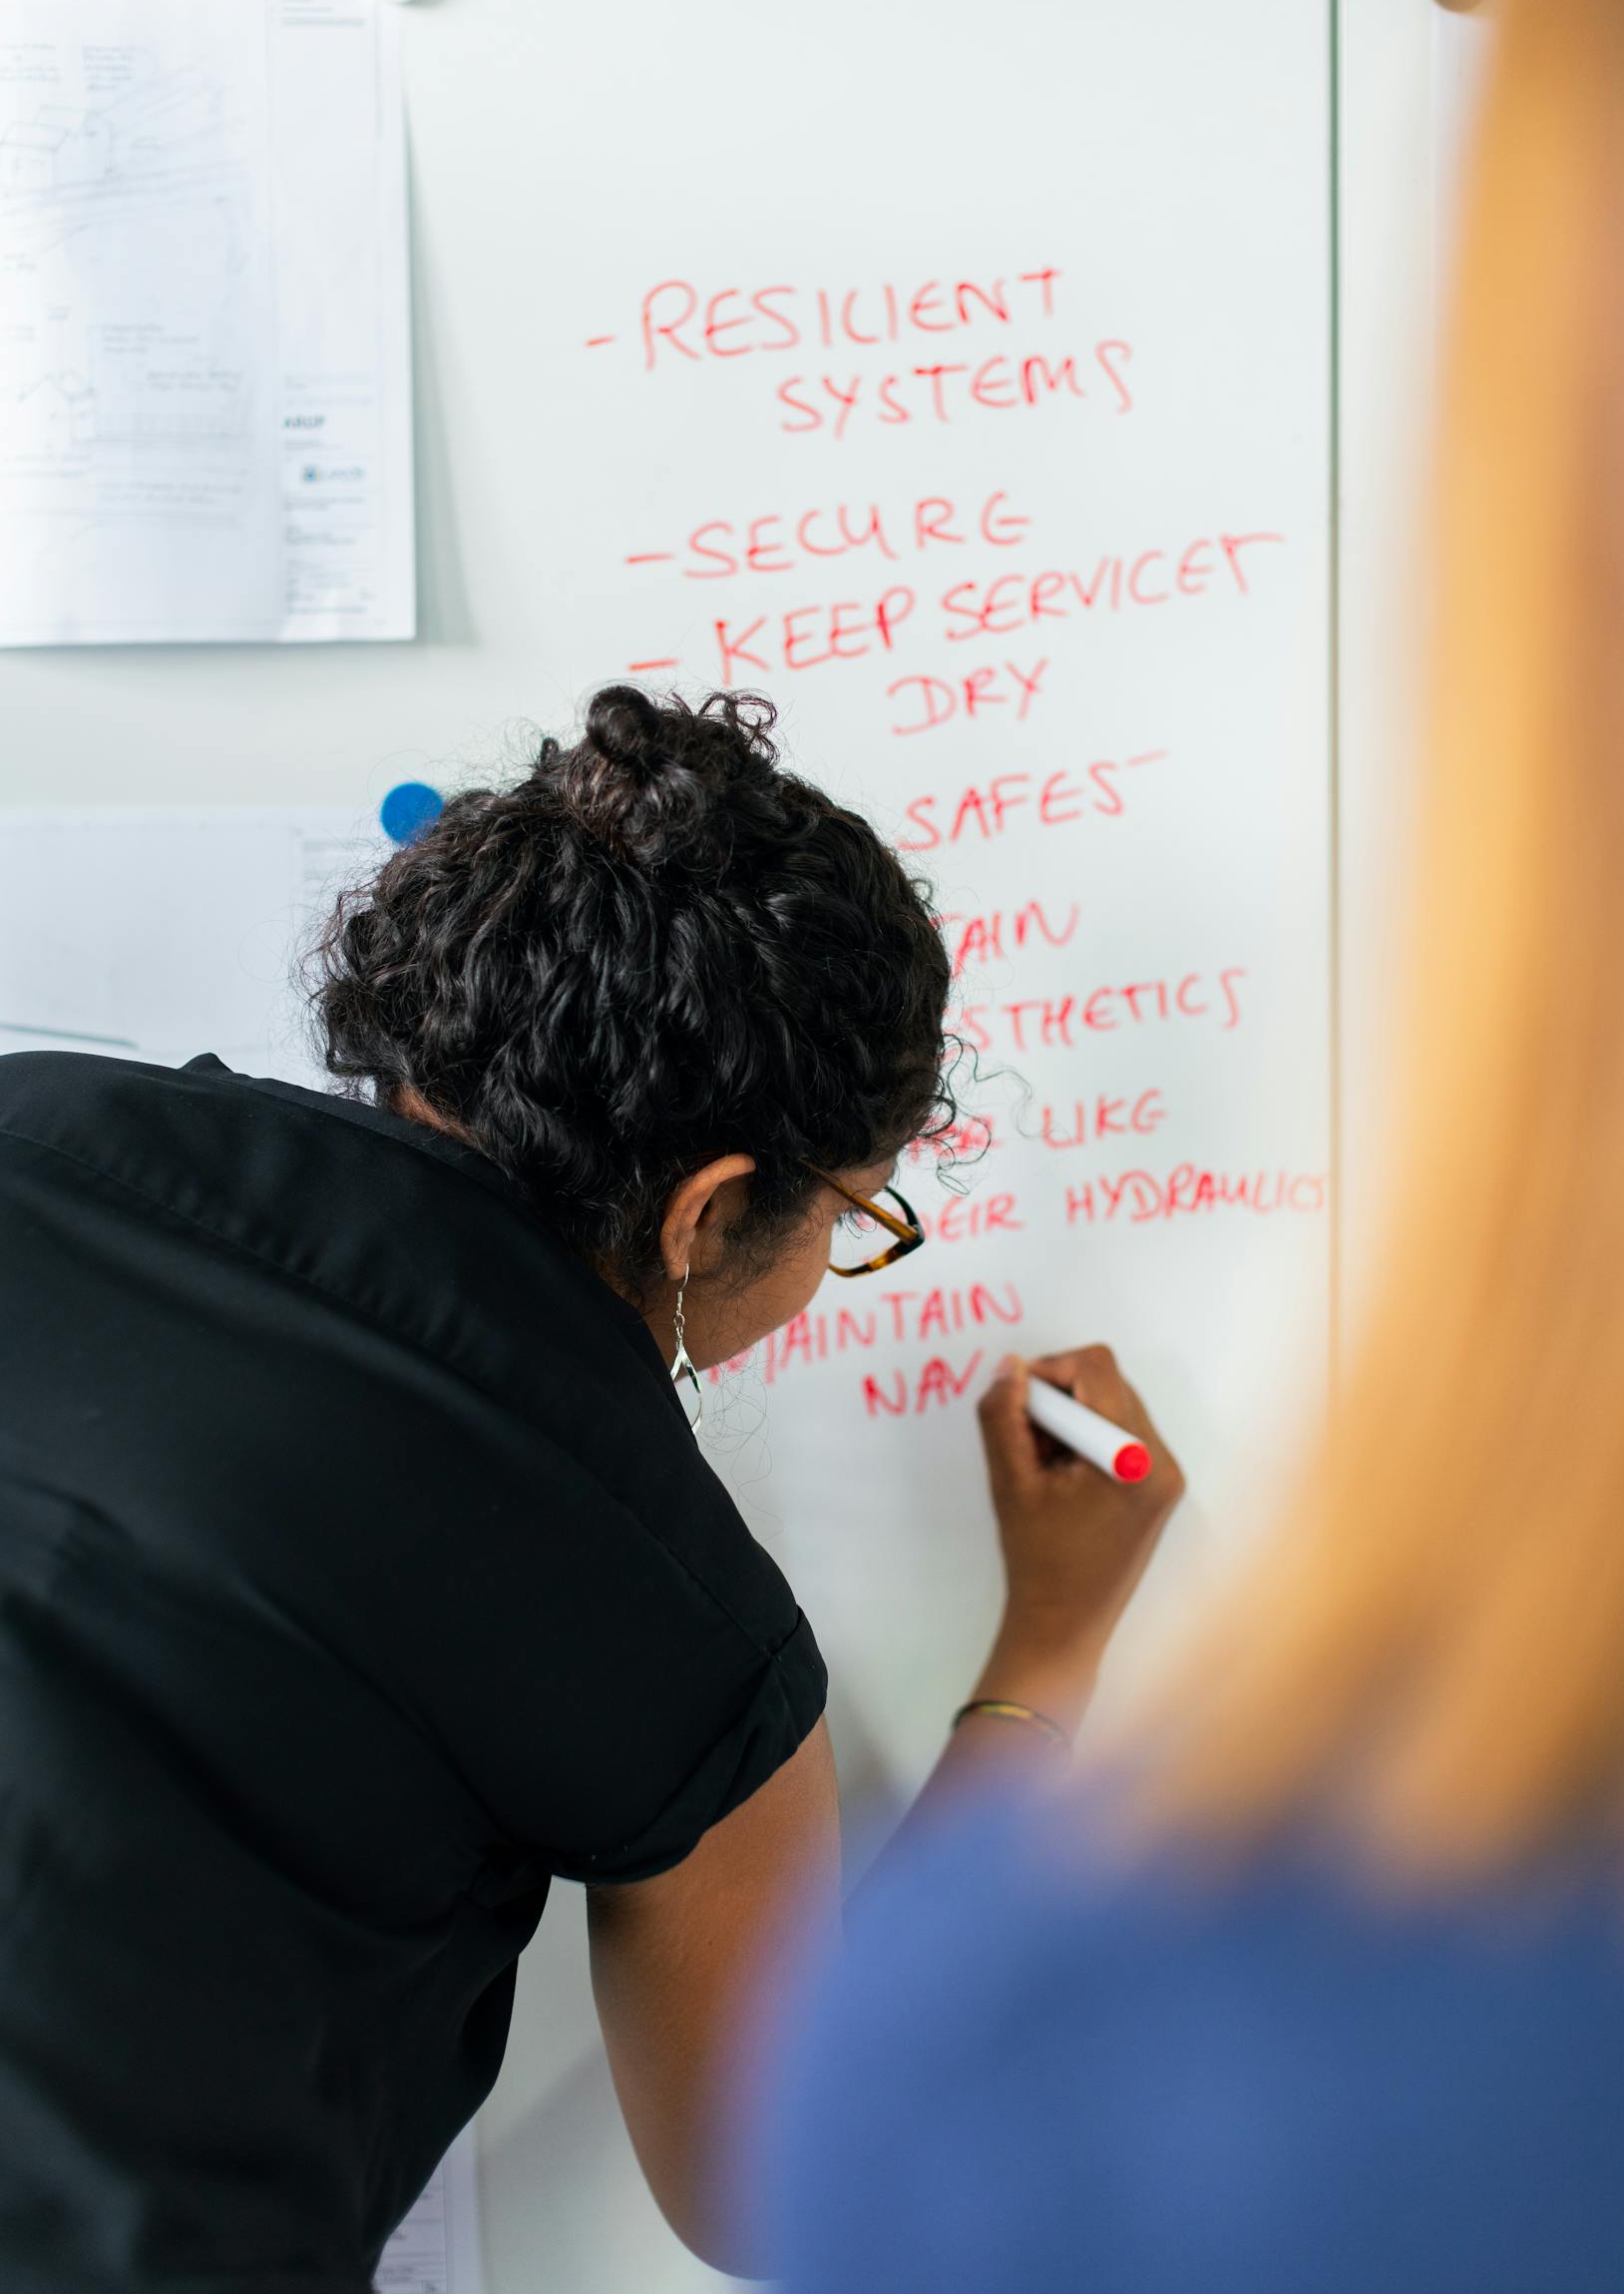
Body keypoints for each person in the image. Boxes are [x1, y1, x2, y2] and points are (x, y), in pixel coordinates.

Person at [763, 0, 1624, 2288]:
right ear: (715, 1204)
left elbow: (783, 2183)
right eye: (860, 1224)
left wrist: (1056, 1644)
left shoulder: (1140, 2064)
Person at [0, 683, 1177, 2292]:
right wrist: (1052, 1635)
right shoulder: (662, 1599)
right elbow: (784, 2185)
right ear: (707, 1213)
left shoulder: (33, 1128)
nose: (839, 1263)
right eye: (852, 1217)